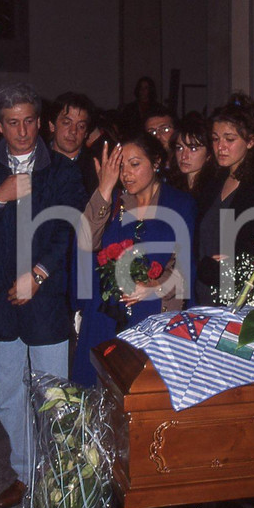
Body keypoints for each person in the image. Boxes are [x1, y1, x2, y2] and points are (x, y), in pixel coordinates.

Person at [0, 83, 87, 508]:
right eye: (13, 123)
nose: (23, 131)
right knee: (10, 395)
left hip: (45, 300)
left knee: (55, 397)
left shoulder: (62, 171)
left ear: (39, 120)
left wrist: (40, 274)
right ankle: (27, 475)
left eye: (30, 120)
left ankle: (60, 478)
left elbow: (67, 230)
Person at [72, 132, 196, 388]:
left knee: (143, 395)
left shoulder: (180, 204)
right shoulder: (115, 201)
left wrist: (153, 288)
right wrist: (104, 188)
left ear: (156, 162)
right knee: (100, 392)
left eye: (135, 164)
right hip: (107, 314)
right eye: (121, 166)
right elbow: (86, 242)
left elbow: (186, 267)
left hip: (154, 312)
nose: (126, 173)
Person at [196, 94, 254, 305]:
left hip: (239, 299)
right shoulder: (212, 181)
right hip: (203, 294)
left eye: (230, 139)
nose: (221, 147)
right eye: (216, 139)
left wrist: (210, 268)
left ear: (251, 141)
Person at [46, 91, 99, 194]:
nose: (73, 131)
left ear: (86, 133)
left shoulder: (95, 168)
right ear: (52, 126)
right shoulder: (36, 162)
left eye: (81, 126)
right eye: (66, 123)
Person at [167, 111, 218, 208]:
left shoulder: (214, 189)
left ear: (209, 154)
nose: (184, 156)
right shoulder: (171, 185)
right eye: (180, 148)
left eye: (193, 149)